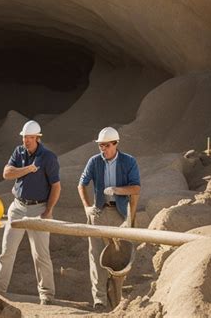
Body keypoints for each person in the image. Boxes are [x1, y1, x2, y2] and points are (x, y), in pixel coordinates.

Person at [0, 120, 61, 305]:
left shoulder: (48, 157)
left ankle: (47, 294)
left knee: (41, 254)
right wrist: (27, 169)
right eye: (24, 137)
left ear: (37, 138)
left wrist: (48, 211)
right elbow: (6, 173)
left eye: (30, 137)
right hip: (17, 207)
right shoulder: (18, 151)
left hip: (39, 208)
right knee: (7, 250)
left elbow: (56, 186)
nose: (26, 140)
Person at [77, 127, 141, 312]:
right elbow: (82, 184)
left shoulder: (129, 161)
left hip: (120, 213)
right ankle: (99, 300)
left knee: (121, 258)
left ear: (115, 144)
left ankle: (117, 299)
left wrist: (116, 190)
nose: (102, 149)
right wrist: (87, 207)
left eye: (106, 145)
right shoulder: (94, 161)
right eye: (100, 145)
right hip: (99, 213)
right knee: (96, 255)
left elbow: (135, 188)